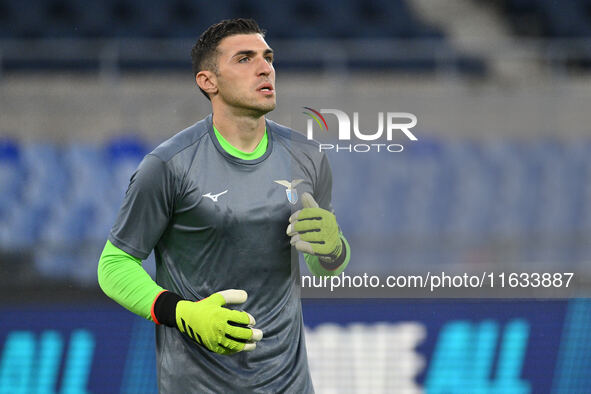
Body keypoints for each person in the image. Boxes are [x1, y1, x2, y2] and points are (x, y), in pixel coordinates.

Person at [97, 18, 350, 393]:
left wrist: (334, 251)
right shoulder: (168, 166)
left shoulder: (308, 157)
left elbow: (323, 266)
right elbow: (113, 265)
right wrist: (182, 313)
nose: (265, 68)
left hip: (290, 384)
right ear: (208, 81)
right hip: (197, 385)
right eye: (245, 59)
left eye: (268, 57)